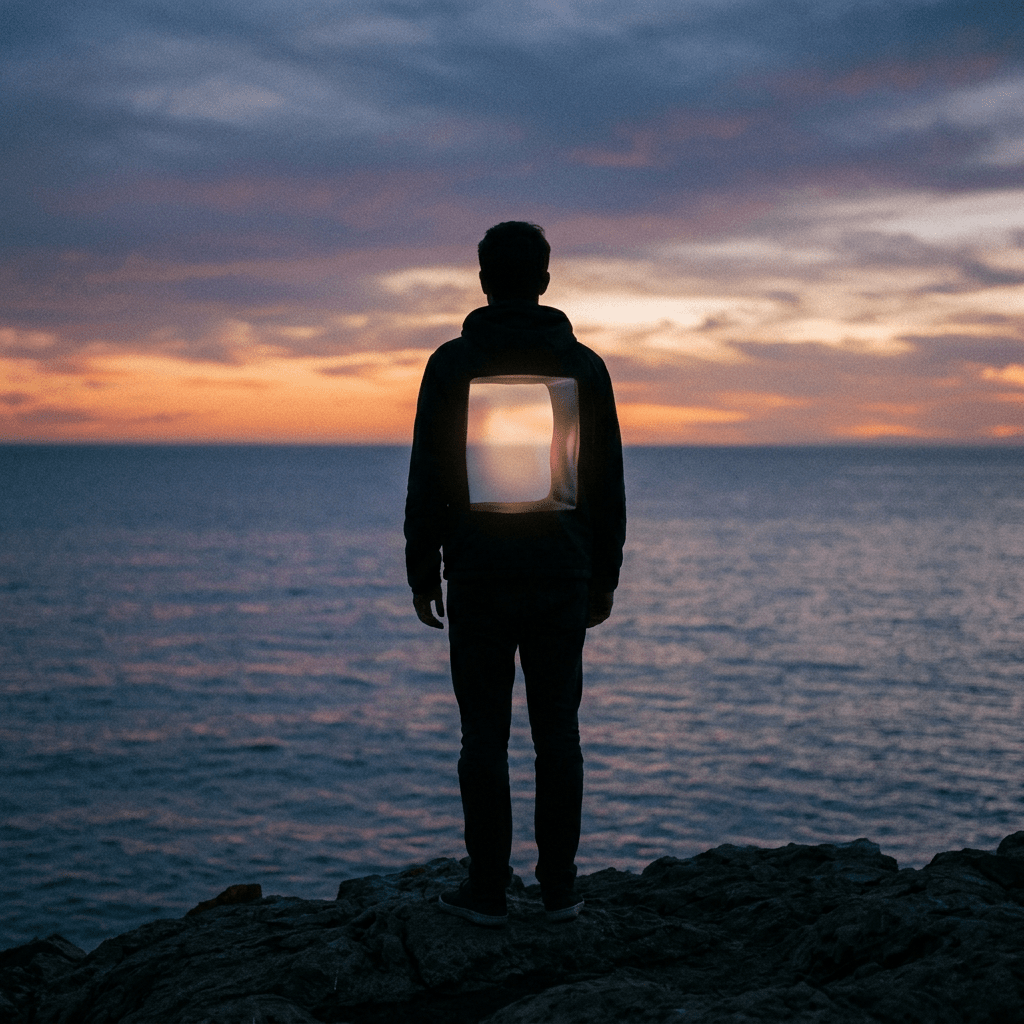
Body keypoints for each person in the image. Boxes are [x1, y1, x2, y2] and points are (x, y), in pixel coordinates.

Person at [404, 221, 626, 927]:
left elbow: (429, 472)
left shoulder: (450, 364)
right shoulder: (584, 366)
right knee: (558, 734)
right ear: (546, 279)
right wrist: (604, 574)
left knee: (483, 740)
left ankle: (488, 891)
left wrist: (422, 565)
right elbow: (604, 480)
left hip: (478, 572)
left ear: (481, 278)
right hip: (561, 568)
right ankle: (559, 891)